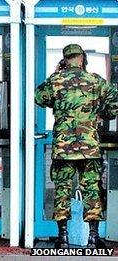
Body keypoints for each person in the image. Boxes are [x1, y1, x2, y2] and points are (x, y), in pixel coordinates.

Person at [35, 44, 118, 249]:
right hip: (89, 147)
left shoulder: (56, 80)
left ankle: (62, 238)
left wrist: (57, 84)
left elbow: (39, 97)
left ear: (65, 59)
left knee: (62, 190)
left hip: (63, 147)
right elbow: (114, 103)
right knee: (91, 190)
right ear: (81, 58)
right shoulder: (95, 81)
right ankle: (92, 238)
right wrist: (101, 113)